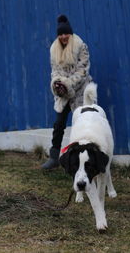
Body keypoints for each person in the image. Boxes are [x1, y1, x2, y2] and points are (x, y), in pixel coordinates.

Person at [41, 15, 95, 169]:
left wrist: (68, 84)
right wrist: (57, 84)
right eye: (60, 34)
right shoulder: (54, 49)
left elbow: (82, 70)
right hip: (63, 94)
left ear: (70, 34)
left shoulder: (81, 46)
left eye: (66, 33)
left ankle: (88, 158)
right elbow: (54, 71)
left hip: (80, 92)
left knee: (84, 125)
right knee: (59, 125)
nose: (63, 36)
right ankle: (54, 157)